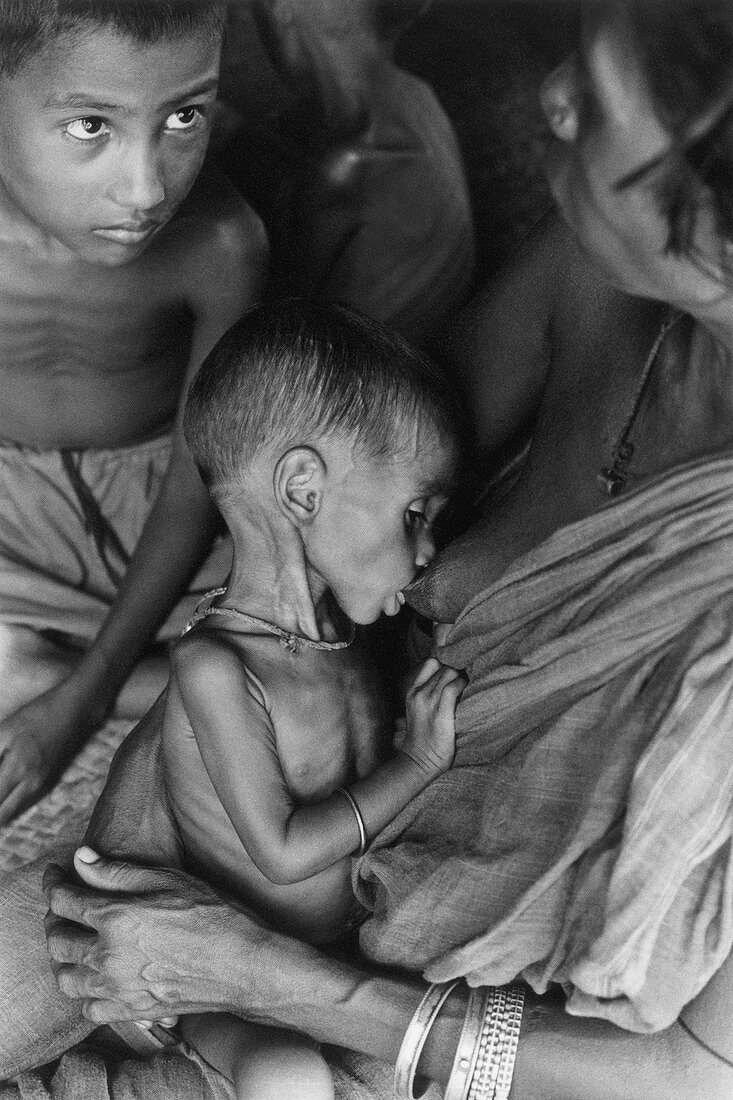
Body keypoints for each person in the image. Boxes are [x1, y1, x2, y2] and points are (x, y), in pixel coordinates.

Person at [4, 1, 733, 1097]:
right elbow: (333, 485)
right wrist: (147, 813)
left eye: (597, 90)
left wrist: (260, 972)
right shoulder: (594, 266)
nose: (551, 95)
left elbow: (693, 1070)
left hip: (448, 1024)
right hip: (222, 861)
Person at [140, 299, 465, 1099]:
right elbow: (280, 852)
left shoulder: (350, 643)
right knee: (288, 1076)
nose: (428, 553)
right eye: (415, 515)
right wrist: (420, 760)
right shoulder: (214, 666)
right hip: (224, 972)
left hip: (334, 959)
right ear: (302, 489)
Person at [0, 0, 268, 824]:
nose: (148, 188)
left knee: (312, 677)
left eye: (185, 115)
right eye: (90, 127)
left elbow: (200, 476)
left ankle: (57, 669)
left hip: (162, 508)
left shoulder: (222, 244)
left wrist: (84, 698)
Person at [220, 0, 475, 345]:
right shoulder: (416, 97)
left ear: (282, 13)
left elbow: (269, 316)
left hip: (339, 380)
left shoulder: (350, 173)